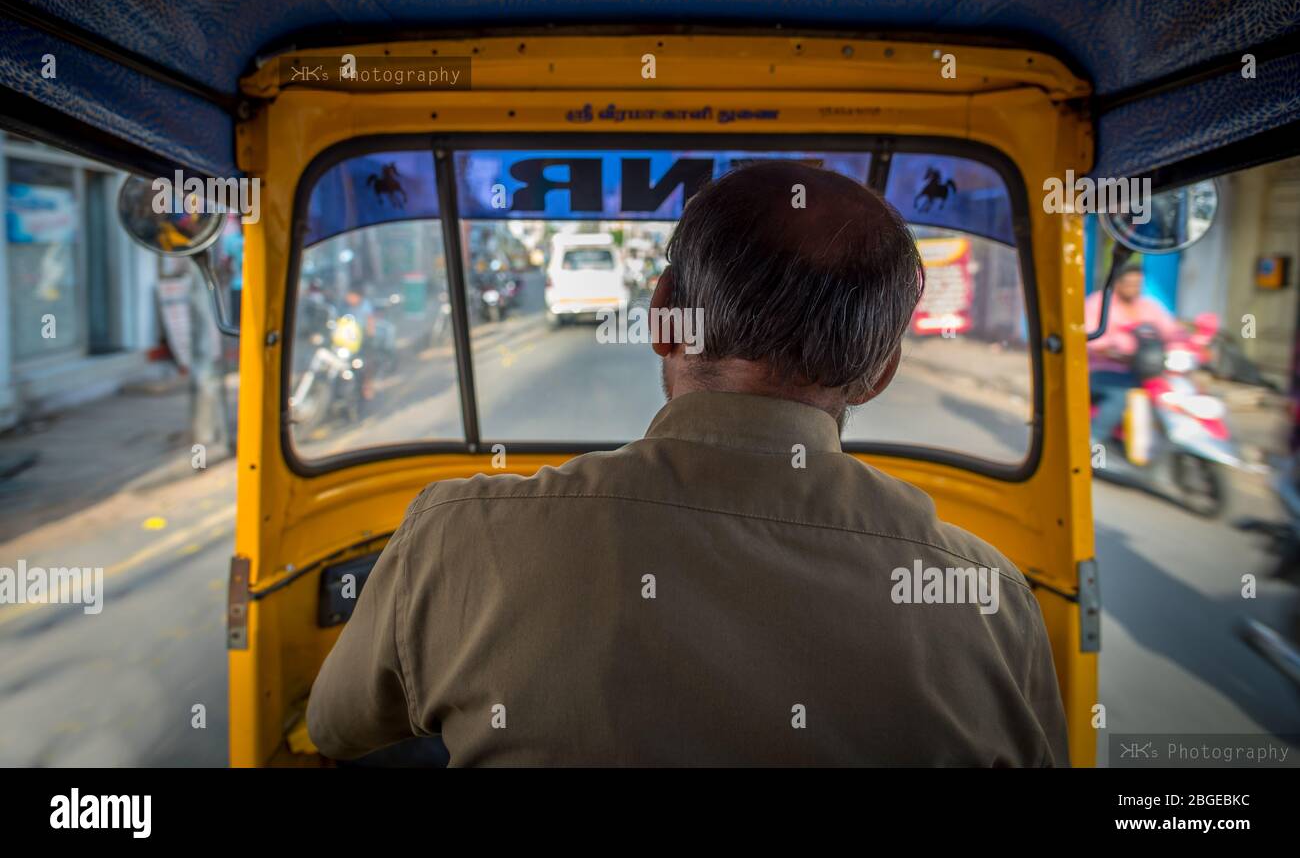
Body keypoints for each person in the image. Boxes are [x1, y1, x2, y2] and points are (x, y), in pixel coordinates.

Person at [307, 161, 1070, 766]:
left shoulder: (456, 538)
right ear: (881, 371)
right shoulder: (987, 607)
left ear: (665, 312)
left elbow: (332, 730)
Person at [1084, 262, 1184, 448]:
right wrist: (1115, 352)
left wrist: (1188, 343)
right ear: (1117, 283)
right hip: (1104, 372)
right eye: (1129, 283)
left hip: (1146, 372)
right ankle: (1092, 443)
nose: (1134, 288)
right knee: (1121, 396)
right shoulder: (1099, 303)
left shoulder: (1149, 306)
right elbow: (1091, 338)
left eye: (1137, 284)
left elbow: (1171, 331)